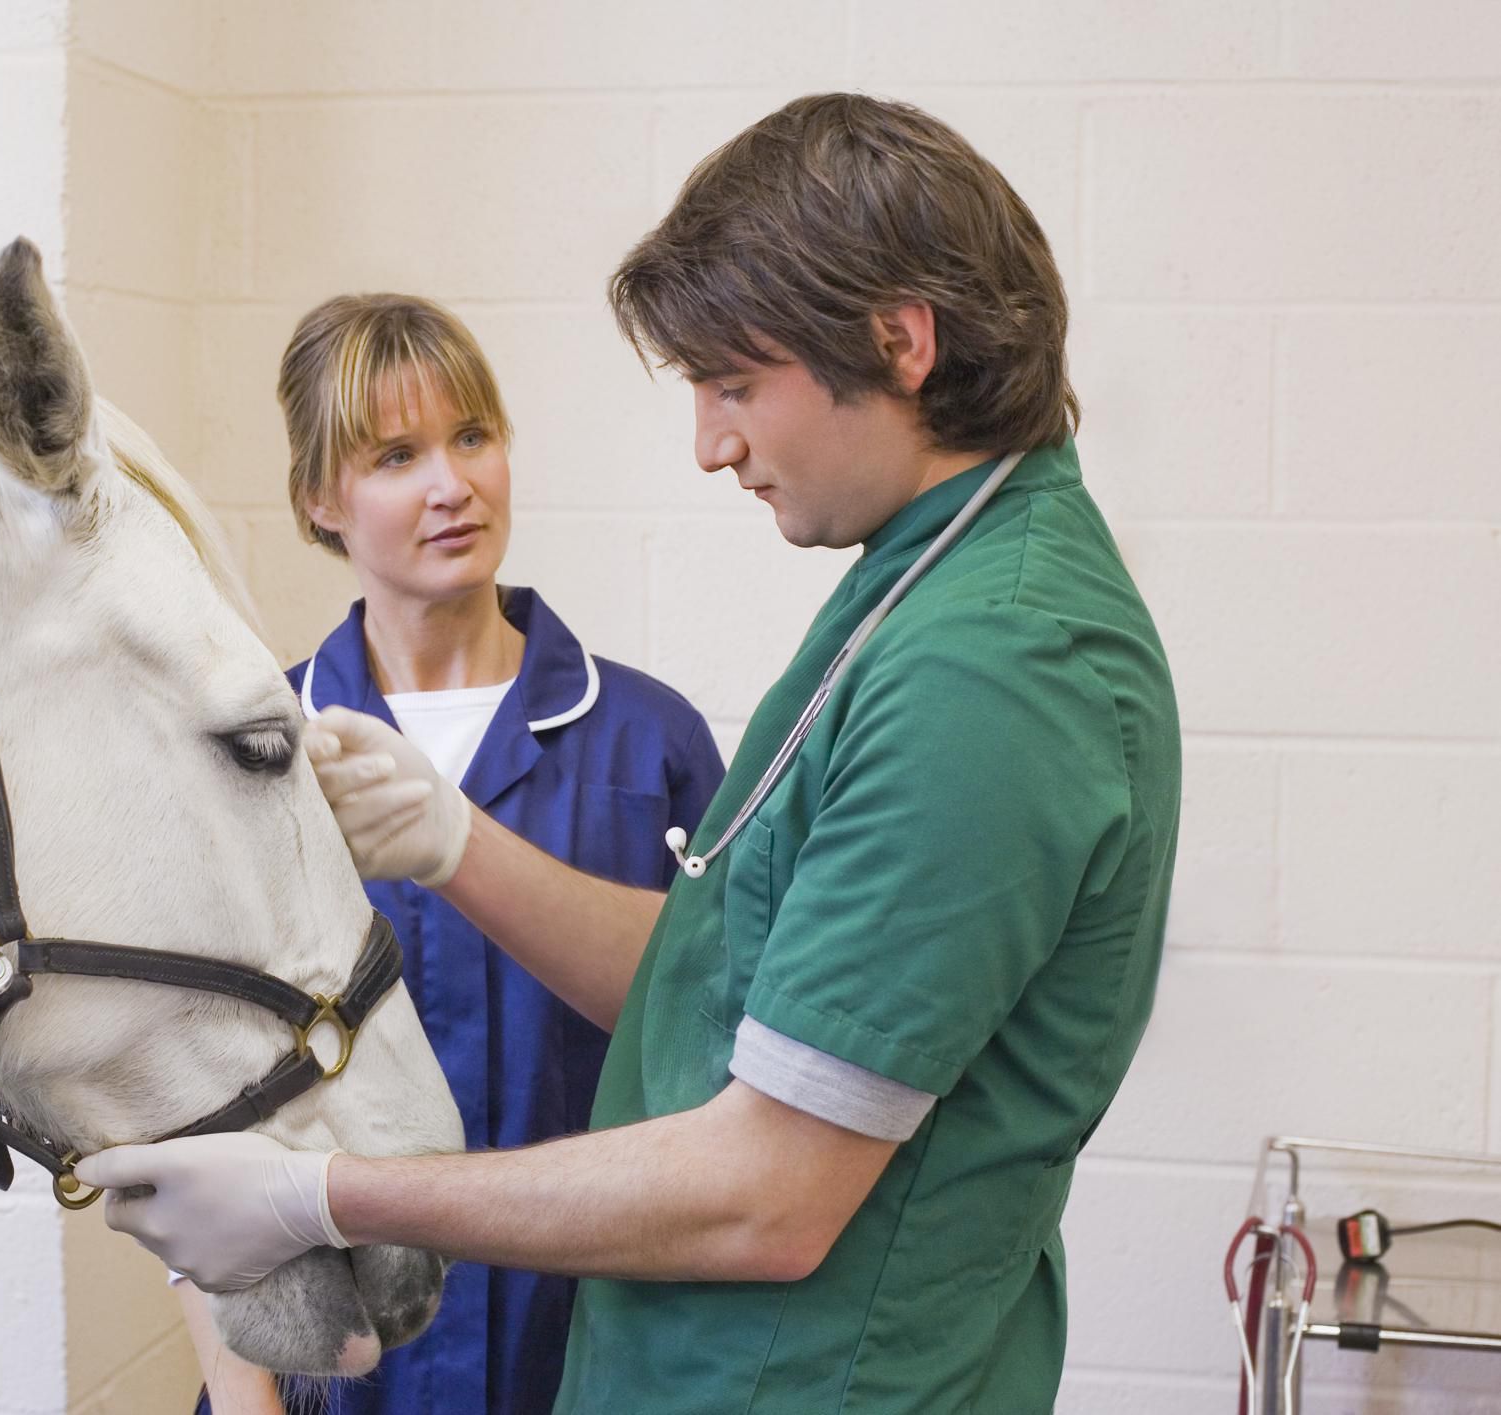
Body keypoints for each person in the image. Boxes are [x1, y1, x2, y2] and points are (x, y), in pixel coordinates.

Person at [89, 93, 1181, 1414]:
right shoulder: (911, 593)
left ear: (897, 342)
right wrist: (454, 845)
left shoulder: (986, 669)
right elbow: (713, 997)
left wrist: (314, 1199)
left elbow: (763, 1195)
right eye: (390, 455)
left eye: (732, 384)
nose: (712, 443)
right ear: (319, 498)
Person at [176, 293, 725, 1415]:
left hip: (585, 1364)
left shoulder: (647, 742)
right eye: (395, 453)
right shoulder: (256, 754)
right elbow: (186, 1103)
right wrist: (244, 1399)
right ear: (320, 500)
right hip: (331, 1374)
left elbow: (715, 1051)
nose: (451, 483)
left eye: (472, 436)